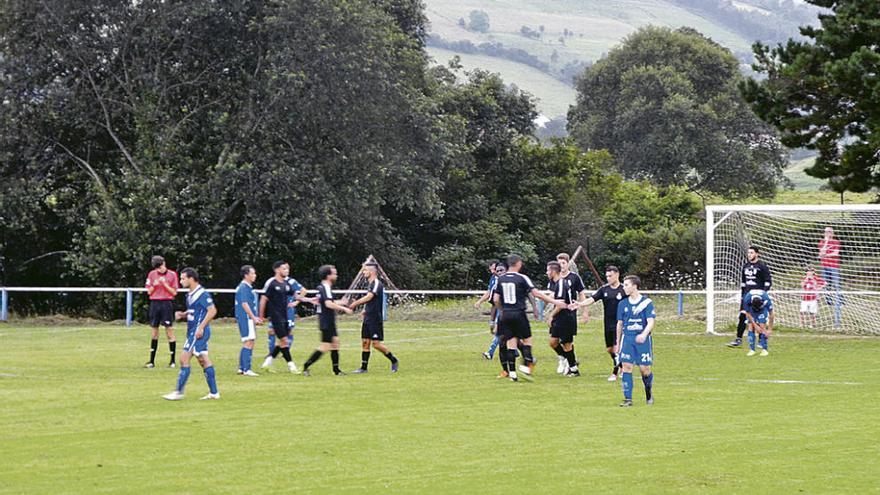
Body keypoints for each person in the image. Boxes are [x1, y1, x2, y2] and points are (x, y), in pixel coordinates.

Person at [491, 254, 569, 382]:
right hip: (519, 313)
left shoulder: (500, 279)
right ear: (518, 264)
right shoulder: (522, 278)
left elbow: (496, 299)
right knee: (527, 340)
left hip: (505, 314)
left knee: (511, 342)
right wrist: (555, 302)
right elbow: (536, 293)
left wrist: (502, 310)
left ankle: (513, 374)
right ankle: (526, 367)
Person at [162, 268, 219, 400]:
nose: (181, 281)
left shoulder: (202, 293)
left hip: (198, 332)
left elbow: (212, 311)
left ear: (191, 279)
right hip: (193, 331)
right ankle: (214, 393)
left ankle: (178, 392)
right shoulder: (190, 294)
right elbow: (197, 310)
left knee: (184, 358)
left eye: (183, 278)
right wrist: (184, 314)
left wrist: (201, 327)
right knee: (203, 360)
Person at [259, 261, 314, 373]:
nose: (286, 271)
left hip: (285, 316)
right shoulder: (272, 284)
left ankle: (267, 363)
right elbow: (264, 299)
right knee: (284, 341)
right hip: (276, 317)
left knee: (282, 342)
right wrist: (261, 316)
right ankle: (292, 367)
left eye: (287, 269)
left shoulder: (286, 284)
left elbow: (297, 296)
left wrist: (310, 300)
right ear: (277, 270)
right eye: (284, 269)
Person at [302, 265, 353, 376]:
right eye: (334, 273)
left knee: (335, 343)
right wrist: (344, 309)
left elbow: (330, 301)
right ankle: (306, 365)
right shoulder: (325, 287)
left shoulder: (324, 287)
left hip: (328, 319)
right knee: (325, 346)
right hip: (326, 320)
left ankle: (336, 370)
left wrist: (341, 302)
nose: (336, 275)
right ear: (328, 275)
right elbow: (328, 304)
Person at [348, 263, 399, 373]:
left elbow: (369, 296)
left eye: (365, 270)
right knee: (365, 342)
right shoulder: (370, 284)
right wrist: (364, 310)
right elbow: (370, 300)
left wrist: (355, 303)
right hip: (368, 318)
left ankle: (394, 360)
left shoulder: (376, 283)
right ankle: (363, 368)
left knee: (376, 344)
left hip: (375, 318)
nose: (363, 272)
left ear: (371, 271)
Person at [577, 266, 625, 381]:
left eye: (610, 276)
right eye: (607, 276)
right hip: (608, 324)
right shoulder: (604, 290)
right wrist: (580, 304)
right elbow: (592, 299)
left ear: (617, 275)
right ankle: (622, 366)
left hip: (621, 323)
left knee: (617, 348)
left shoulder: (624, 289)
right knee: (610, 349)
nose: (608, 278)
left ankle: (615, 372)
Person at [616, 275, 655, 407]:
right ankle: (628, 399)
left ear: (634, 286)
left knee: (645, 370)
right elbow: (620, 324)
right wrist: (617, 342)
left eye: (626, 285)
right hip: (628, 339)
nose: (624, 287)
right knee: (626, 367)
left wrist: (644, 334)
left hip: (642, 341)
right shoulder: (623, 304)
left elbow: (651, 322)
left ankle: (648, 390)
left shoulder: (646, 303)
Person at [727, 246, 772, 348]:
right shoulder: (745, 266)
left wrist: (762, 294)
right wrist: (743, 295)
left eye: (751, 253)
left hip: (758, 298)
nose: (749, 255)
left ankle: (761, 340)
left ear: (757, 254)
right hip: (747, 296)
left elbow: (768, 281)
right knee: (742, 316)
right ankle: (738, 339)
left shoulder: (762, 266)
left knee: (759, 319)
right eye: (748, 253)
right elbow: (743, 283)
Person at [545, 261, 580, 377]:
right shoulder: (555, 283)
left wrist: (551, 315)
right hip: (560, 317)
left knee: (566, 344)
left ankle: (574, 369)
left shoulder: (561, 283)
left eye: (548, 270)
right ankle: (567, 359)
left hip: (566, 317)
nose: (547, 273)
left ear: (554, 271)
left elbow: (561, 304)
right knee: (553, 342)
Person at [144, 255, 179, 368]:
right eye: (158, 268)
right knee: (154, 331)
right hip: (155, 303)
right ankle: (151, 361)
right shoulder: (152, 274)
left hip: (166, 303)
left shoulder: (172, 275)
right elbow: (149, 291)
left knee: (169, 331)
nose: (161, 269)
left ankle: (172, 361)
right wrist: (154, 286)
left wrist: (164, 285)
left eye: (161, 266)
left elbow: (174, 292)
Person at [554, 253, 586, 374]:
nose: (561, 265)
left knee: (567, 341)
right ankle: (565, 359)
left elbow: (582, 293)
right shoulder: (555, 278)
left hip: (569, 314)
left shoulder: (574, 277)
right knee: (553, 342)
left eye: (563, 263)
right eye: (559, 263)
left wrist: (585, 311)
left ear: (568, 264)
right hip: (557, 313)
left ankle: (571, 365)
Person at [234, 265, 263, 376]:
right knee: (249, 341)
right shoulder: (244, 287)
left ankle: (242, 368)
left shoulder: (246, 287)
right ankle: (247, 369)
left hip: (245, 318)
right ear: (246, 275)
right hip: (246, 318)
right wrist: (253, 317)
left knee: (248, 341)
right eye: (252, 273)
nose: (254, 275)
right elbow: (245, 304)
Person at [475, 261, 506, 360]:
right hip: (497, 308)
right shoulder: (494, 278)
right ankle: (516, 351)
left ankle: (489, 352)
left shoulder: (505, 280)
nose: (493, 272)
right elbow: (489, 293)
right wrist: (480, 301)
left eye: (494, 269)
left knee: (499, 331)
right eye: (492, 270)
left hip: (505, 309)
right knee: (506, 333)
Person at [818, 226, 842, 327]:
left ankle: (839, 301)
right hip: (825, 266)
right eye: (826, 232)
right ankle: (828, 301)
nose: (827, 233)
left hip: (834, 266)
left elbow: (835, 253)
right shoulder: (821, 242)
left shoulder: (836, 242)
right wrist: (826, 243)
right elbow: (821, 253)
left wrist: (825, 255)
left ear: (833, 233)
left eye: (829, 232)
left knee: (837, 284)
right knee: (826, 284)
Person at [743, 290, 773, 357]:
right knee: (751, 327)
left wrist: (770, 329)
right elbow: (747, 313)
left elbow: (772, 315)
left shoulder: (766, 299)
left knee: (762, 327)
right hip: (751, 310)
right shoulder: (747, 299)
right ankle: (752, 350)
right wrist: (755, 325)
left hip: (762, 310)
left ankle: (764, 349)